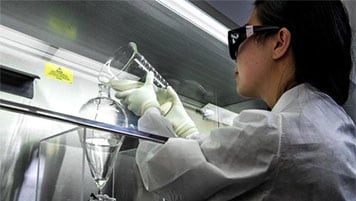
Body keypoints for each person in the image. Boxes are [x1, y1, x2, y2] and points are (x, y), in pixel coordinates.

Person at [111, 0, 356, 200]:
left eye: (242, 35)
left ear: (279, 43)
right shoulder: (334, 123)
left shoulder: (278, 132)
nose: (236, 53)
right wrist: (183, 125)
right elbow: (215, 164)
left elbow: (164, 175)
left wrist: (149, 109)